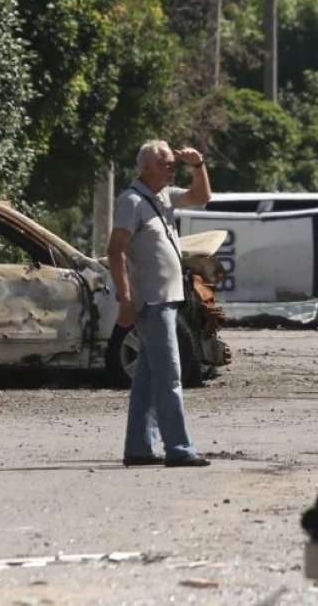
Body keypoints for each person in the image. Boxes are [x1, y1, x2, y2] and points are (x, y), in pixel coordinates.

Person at [107, 139, 213, 467]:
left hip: (166, 300)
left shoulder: (163, 196)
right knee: (170, 377)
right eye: (166, 163)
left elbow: (202, 197)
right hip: (151, 302)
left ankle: (138, 448)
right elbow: (115, 251)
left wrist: (198, 166)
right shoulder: (132, 201)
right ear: (146, 167)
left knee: (149, 380)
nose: (171, 168)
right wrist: (125, 298)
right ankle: (179, 448)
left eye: (172, 164)